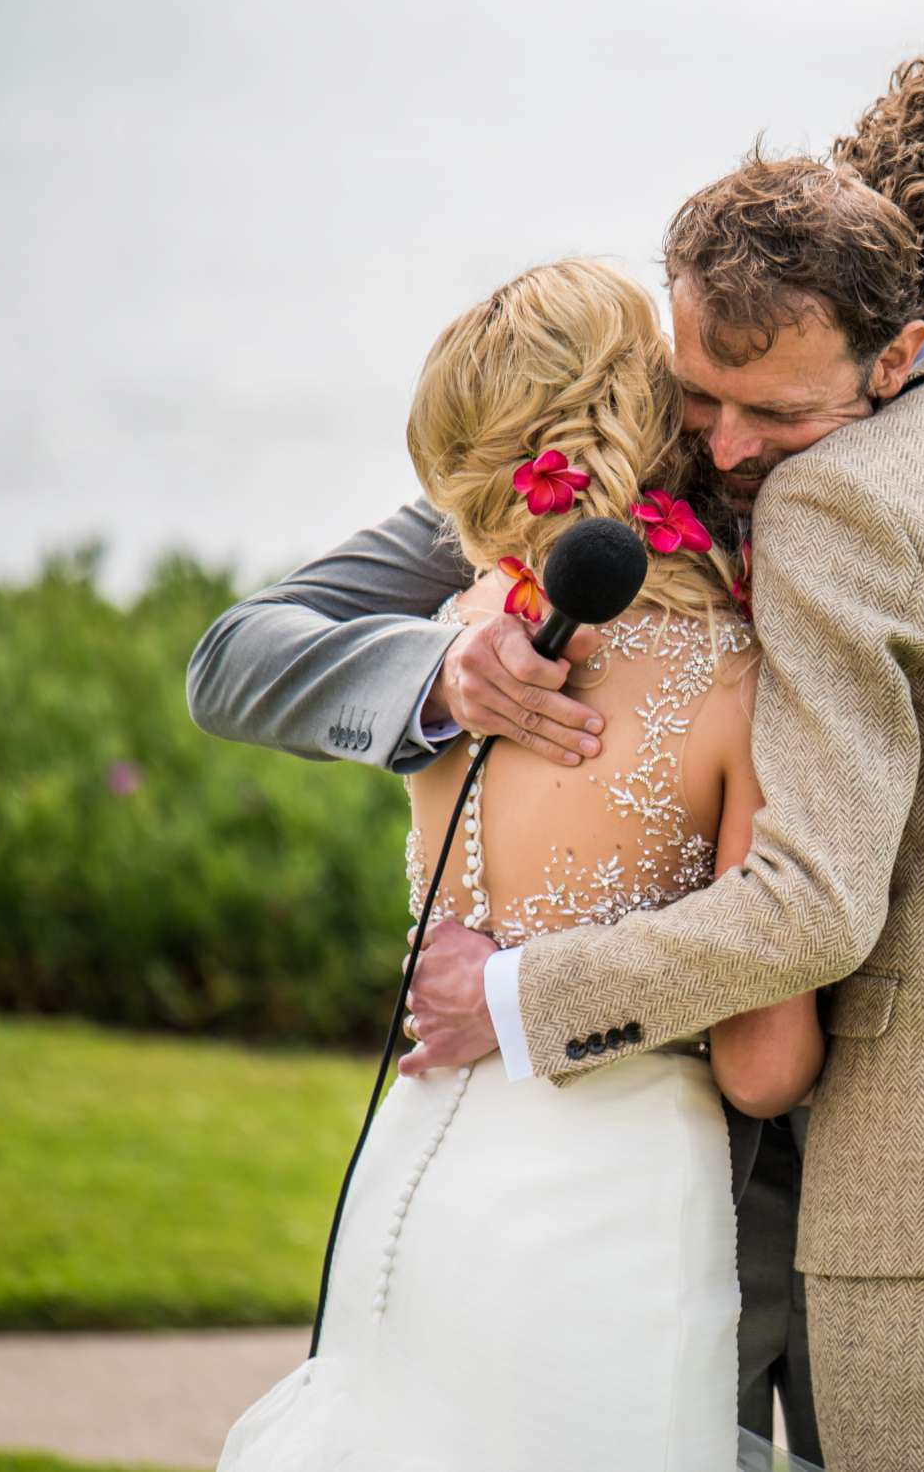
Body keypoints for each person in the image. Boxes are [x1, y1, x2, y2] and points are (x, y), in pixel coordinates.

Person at [188, 61, 924, 1464]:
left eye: (781, 415)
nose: (731, 442)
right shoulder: (563, 488)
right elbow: (240, 655)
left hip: (904, 1151)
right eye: (701, 400)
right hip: (656, 1157)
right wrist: (442, 675)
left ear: (888, 349)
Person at [213, 255, 826, 1471]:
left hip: (444, 1162)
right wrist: (436, 680)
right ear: (649, 391)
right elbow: (236, 655)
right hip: (638, 1190)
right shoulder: (713, 678)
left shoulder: (483, 596)